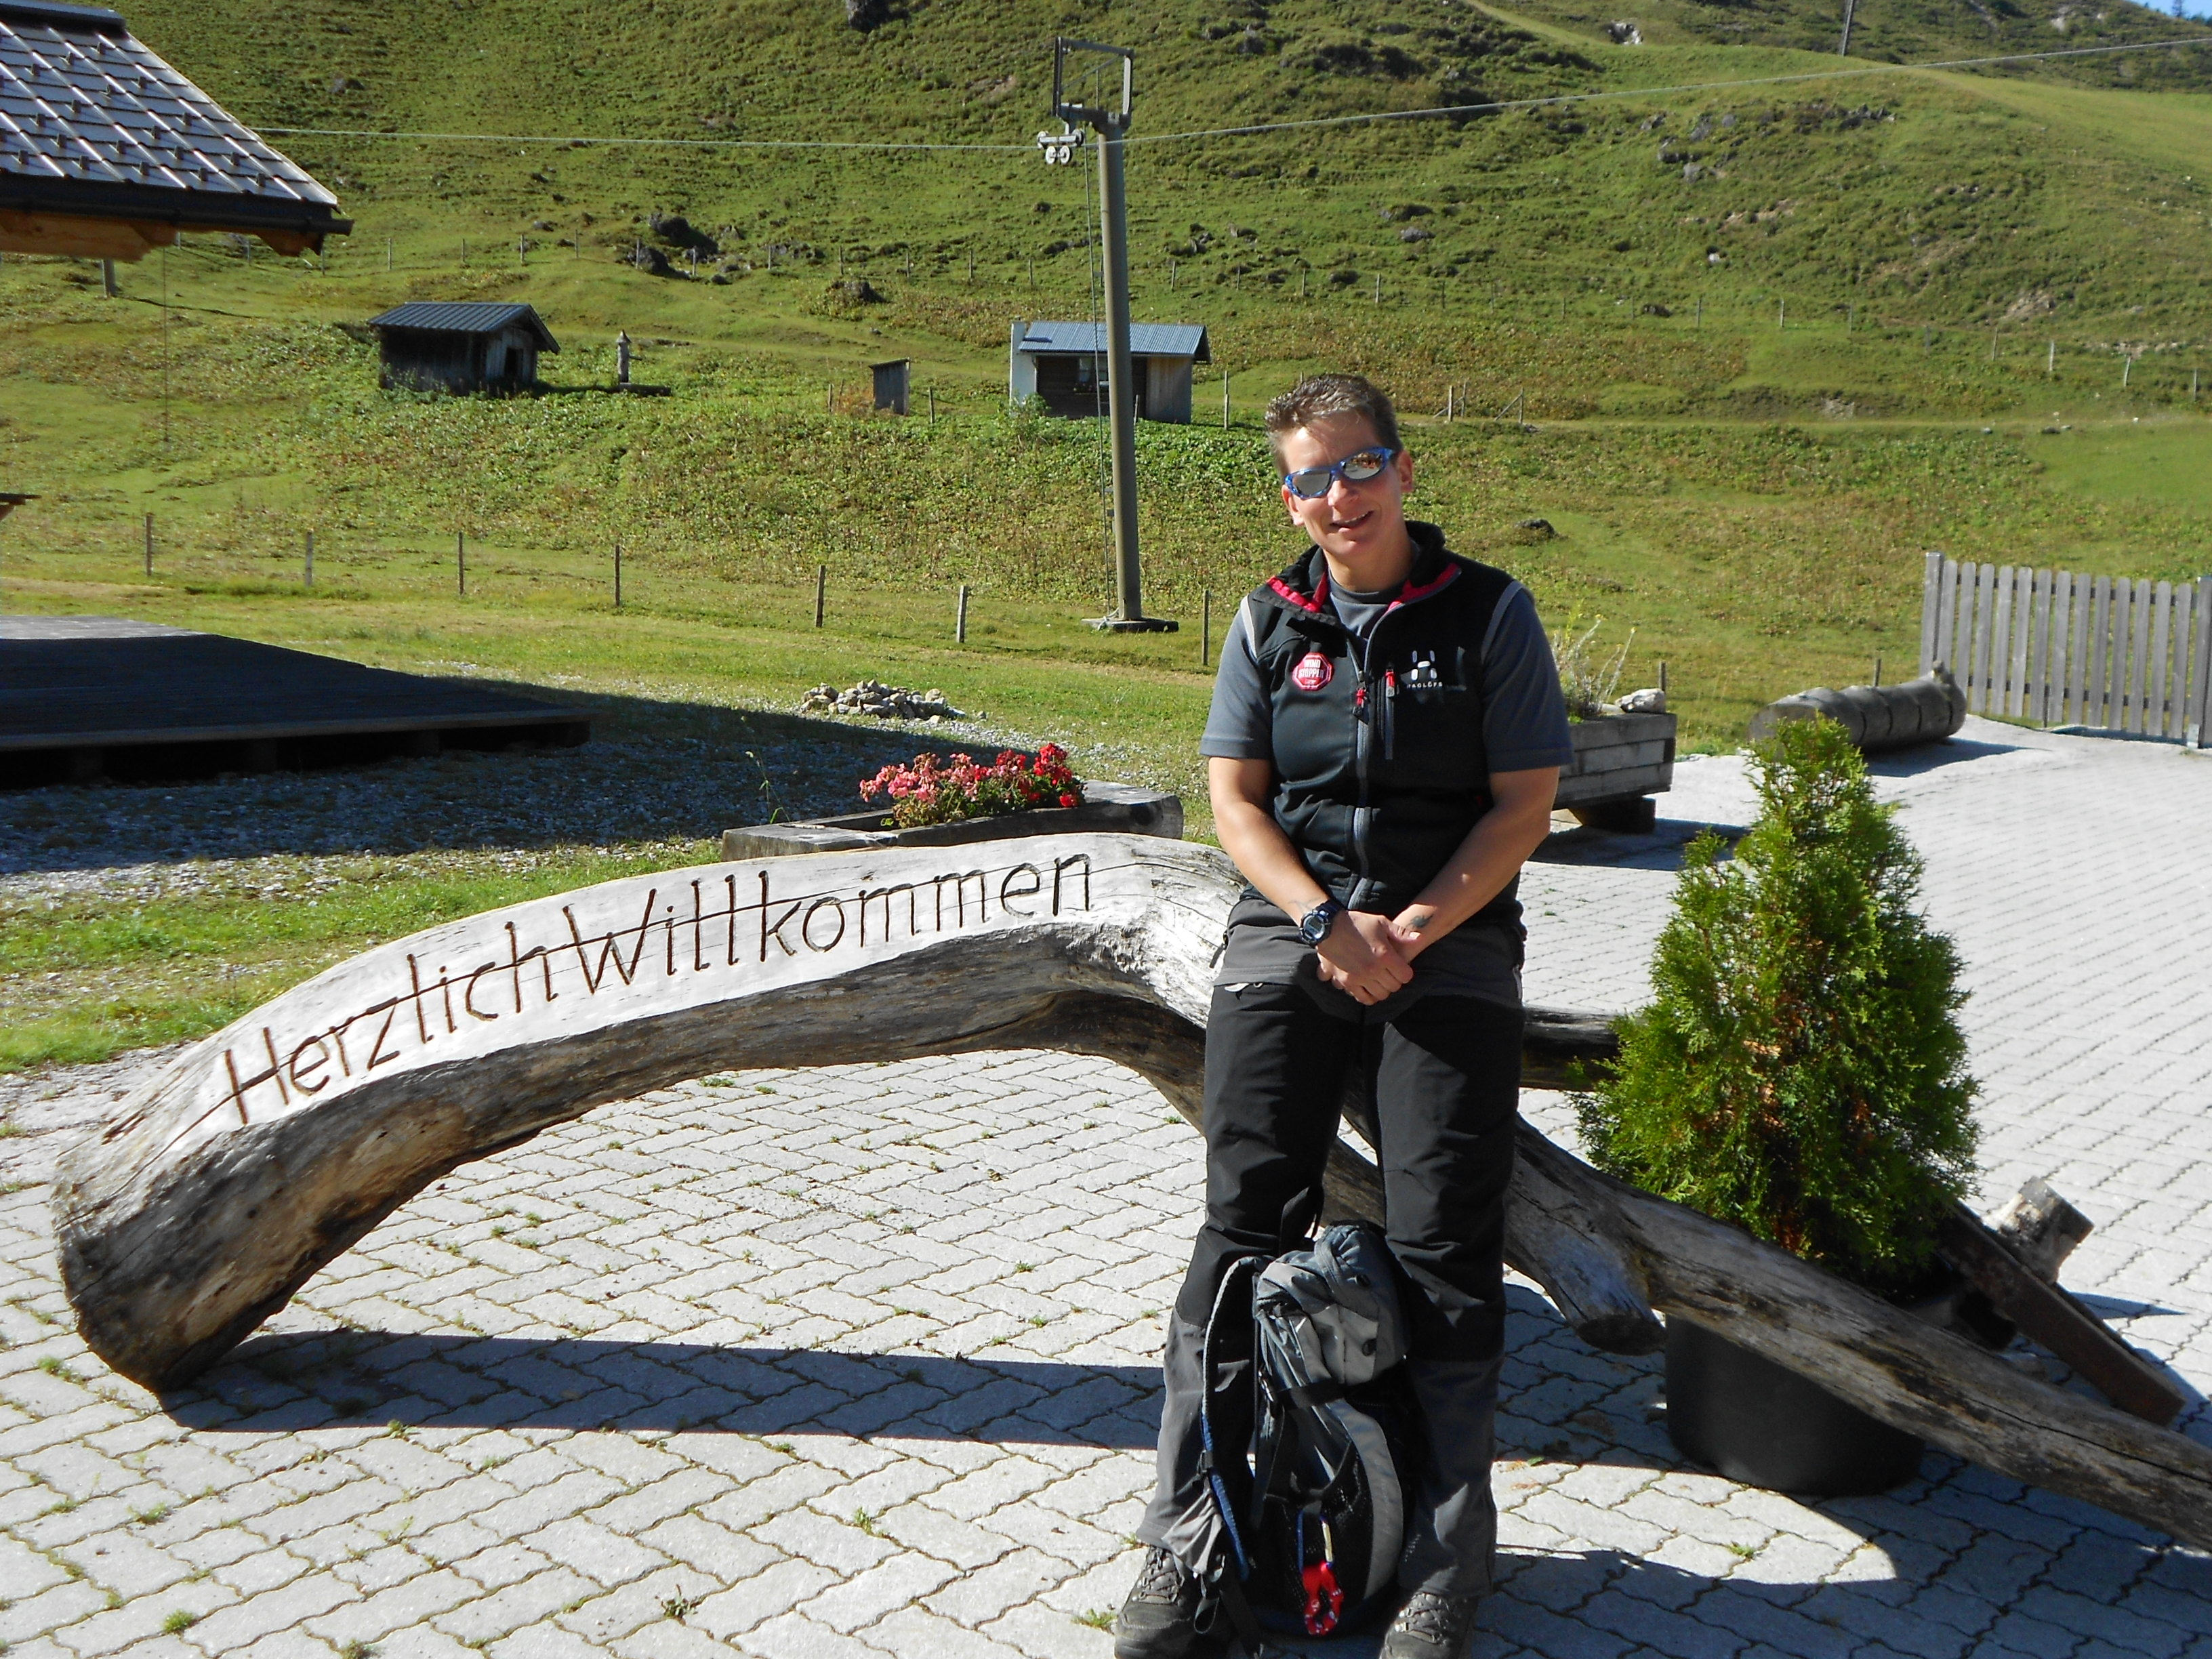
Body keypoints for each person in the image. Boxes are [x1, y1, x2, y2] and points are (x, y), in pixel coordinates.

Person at [1115, 374, 1572, 1659]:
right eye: (1311, 479)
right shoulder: (1271, 619)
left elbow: (1523, 806)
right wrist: (1328, 926)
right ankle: (1188, 1548)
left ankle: (1442, 1563)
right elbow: (1237, 807)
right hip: (1292, 934)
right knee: (1244, 1225)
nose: (1338, 497)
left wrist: (1407, 936)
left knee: (1443, 1245)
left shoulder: (1490, 611)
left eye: (1358, 468)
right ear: (1289, 494)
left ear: (1404, 470)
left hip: (1454, 944)